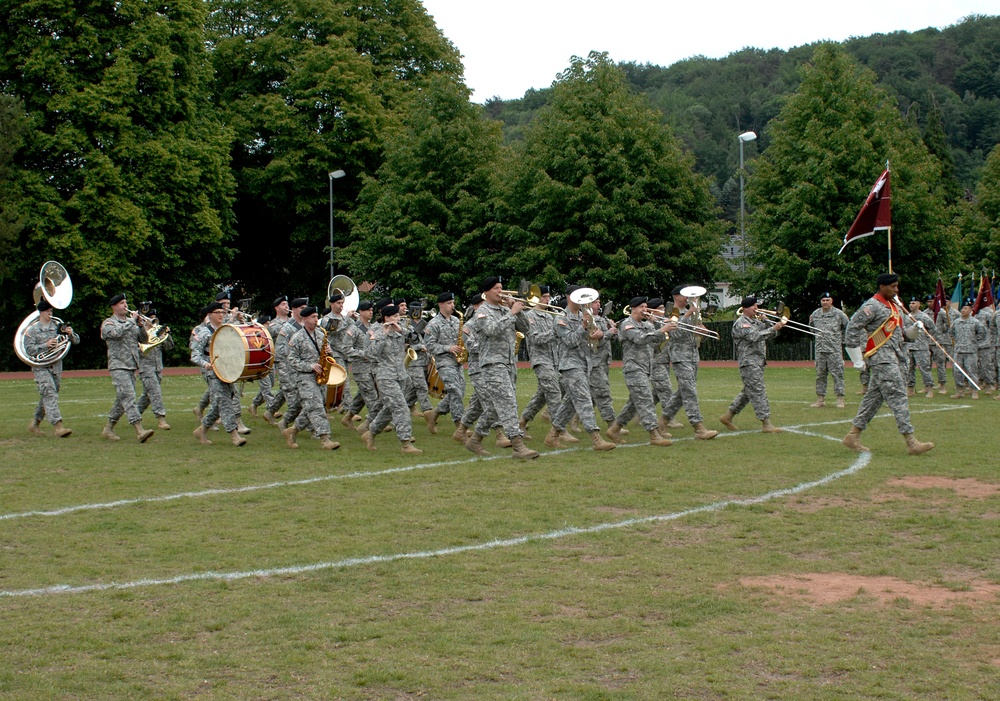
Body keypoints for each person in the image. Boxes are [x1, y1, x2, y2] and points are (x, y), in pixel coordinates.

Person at [842, 273, 933, 455]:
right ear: (882, 287)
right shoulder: (872, 306)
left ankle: (853, 435)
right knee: (899, 396)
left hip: (895, 357)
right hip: (882, 359)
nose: (896, 289)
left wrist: (914, 331)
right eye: (893, 286)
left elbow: (900, 336)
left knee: (873, 399)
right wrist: (856, 358)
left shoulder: (893, 307)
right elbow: (852, 327)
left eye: (897, 286)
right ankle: (911, 441)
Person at [463, 277, 538, 459]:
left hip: (509, 363)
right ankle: (518, 446)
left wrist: (518, 312)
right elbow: (491, 330)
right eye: (496, 288)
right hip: (492, 364)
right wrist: (511, 313)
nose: (501, 291)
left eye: (501, 288)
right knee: (508, 402)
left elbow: (526, 328)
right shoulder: (482, 312)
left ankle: (475, 440)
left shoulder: (506, 310)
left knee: (496, 408)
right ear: (486, 292)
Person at [545, 286, 616, 451]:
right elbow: (569, 340)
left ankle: (553, 435)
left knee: (570, 404)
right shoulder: (561, 318)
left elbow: (593, 342)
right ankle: (596, 438)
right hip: (570, 365)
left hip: (586, 364)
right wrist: (583, 327)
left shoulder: (585, 316)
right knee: (584, 400)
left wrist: (600, 335)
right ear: (569, 297)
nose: (584, 302)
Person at [606, 297, 675, 447]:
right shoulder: (627, 324)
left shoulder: (647, 325)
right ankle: (654, 434)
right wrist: (661, 329)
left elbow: (657, 343)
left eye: (646, 306)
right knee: (645, 399)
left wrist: (662, 325)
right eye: (641, 307)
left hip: (646, 368)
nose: (645, 309)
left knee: (634, 403)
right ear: (633, 308)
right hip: (634, 368)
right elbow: (639, 339)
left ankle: (615, 429)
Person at [360, 304, 422, 454]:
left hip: (401, 376)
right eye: (394, 316)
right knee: (401, 407)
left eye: (398, 316)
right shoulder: (375, 331)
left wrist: (402, 330)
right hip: (385, 376)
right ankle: (406, 443)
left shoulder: (401, 330)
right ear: (386, 318)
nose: (398, 319)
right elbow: (370, 353)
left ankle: (371, 432)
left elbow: (416, 339)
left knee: (389, 409)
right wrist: (384, 334)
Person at [720, 296, 786, 433]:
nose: (756, 308)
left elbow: (772, 335)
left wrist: (767, 321)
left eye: (756, 305)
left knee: (748, 392)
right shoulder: (742, 323)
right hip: (749, 361)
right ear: (745, 308)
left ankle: (728, 416)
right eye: (753, 306)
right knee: (758, 390)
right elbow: (754, 337)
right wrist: (774, 328)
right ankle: (766, 423)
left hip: (758, 361)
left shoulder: (755, 322)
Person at [660, 285, 718, 439]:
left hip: (693, 355)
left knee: (682, 392)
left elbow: (697, 332)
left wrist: (703, 330)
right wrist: (689, 314)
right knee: (690, 392)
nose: (688, 298)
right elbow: (676, 333)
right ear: (676, 296)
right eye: (684, 295)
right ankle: (698, 427)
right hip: (680, 357)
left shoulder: (692, 312)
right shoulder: (670, 312)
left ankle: (662, 422)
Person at [281, 307, 341, 450]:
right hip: (304, 377)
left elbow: (327, 355)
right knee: (316, 407)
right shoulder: (297, 337)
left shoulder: (321, 334)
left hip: (320, 377)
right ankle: (325, 439)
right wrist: (309, 366)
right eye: (313, 317)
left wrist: (329, 353)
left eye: (316, 316)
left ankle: (292, 431)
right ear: (305, 319)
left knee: (311, 408)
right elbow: (291, 359)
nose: (316, 320)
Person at [190, 302, 247, 447]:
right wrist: (205, 364)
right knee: (225, 401)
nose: (221, 315)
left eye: (223, 312)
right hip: (213, 373)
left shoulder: (226, 330)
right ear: (209, 315)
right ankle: (234, 434)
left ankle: (202, 429)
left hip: (227, 371)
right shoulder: (204, 332)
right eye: (218, 313)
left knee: (220, 402)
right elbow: (195, 355)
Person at [100, 294, 155, 442]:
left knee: (122, 399)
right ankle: (139, 430)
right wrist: (131, 321)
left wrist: (141, 325)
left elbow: (144, 339)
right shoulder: (109, 323)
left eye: (126, 303)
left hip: (131, 365)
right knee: (129, 397)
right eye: (122, 303)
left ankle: (108, 428)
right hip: (118, 365)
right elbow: (116, 334)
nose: (125, 306)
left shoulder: (131, 323)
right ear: (114, 306)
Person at [24, 298, 79, 438]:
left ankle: (35, 423)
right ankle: (58, 426)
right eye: (47, 311)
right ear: (41, 312)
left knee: (48, 394)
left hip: (56, 365)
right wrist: (45, 345)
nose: (50, 313)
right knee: (49, 393)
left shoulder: (58, 325)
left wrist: (70, 334)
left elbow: (76, 341)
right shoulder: (33, 330)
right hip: (41, 366)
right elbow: (29, 350)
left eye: (51, 311)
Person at [519, 285, 563, 434]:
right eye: (545, 297)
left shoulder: (549, 316)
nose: (548, 299)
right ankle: (559, 430)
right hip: (540, 360)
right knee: (554, 392)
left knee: (543, 395)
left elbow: (555, 339)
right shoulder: (529, 316)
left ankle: (523, 421)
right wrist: (554, 333)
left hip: (553, 360)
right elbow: (535, 338)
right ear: (537, 298)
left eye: (549, 297)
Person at [424, 292, 467, 440]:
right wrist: (448, 348)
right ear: (441, 305)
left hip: (457, 362)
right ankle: (460, 427)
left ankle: (435, 413)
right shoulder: (433, 324)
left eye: (453, 303)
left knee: (460, 391)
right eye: (449, 303)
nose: (452, 305)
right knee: (454, 390)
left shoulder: (456, 320)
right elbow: (429, 345)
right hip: (444, 362)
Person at [807, 292, 850, 408]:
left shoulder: (839, 314)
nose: (825, 302)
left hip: (834, 350)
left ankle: (840, 399)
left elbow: (848, 327)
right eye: (823, 300)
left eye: (827, 300)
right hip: (820, 350)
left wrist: (843, 340)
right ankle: (820, 399)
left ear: (831, 301)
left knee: (837, 374)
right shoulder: (815, 314)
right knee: (820, 375)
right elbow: (811, 329)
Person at [137, 312, 173, 429]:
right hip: (145, 367)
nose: (153, 321)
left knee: (147, 395)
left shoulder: (158, 330)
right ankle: (161, 419)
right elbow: (133, 349)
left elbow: (169, 347)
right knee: (155, 392)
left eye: (154, 318)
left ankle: (135, 414)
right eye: (150, 318)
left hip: (158, 367)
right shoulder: (138, 332)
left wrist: (165, 336)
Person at [588, 296, 619, 430]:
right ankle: (612, 424)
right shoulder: (588, 320)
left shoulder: (601, 319)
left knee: (591, 394)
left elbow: (609, 338)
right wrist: (608, 333)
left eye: (599, 302)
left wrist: (612, 329)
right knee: (603, 392)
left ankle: (574, 419)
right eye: (595, 302)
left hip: (603, 360)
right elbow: (594, 341)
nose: (598, 304)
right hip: (594, 361)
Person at [948, 300, 987, 399]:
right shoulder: (956, 322)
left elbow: (983, 333)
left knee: (972, 371)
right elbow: (951, 333)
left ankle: (974, 391)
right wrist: (957, 341)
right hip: (958, 350)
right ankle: (959, 391)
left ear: (970, 310)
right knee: (957, 371)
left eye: (966, 308)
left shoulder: (975, 322)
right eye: (962, 308)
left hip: (971, 351)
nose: (963, 310)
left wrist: (974, 341)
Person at [904, 297, 936, 399]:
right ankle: (910, 389)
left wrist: (925, 337)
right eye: (910, 303)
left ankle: (929, 388)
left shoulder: (923, 316)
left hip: (921, 347)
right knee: (909, 369)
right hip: (909, 346)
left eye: (913, 303)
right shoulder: (907, 317)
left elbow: (933, 328)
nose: (911, 305)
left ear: (919, 304)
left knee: (924, 368)